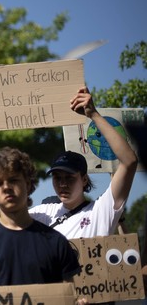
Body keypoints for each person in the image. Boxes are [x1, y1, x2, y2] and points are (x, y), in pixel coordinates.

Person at [0, 147, 81, 288]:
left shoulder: (57, 243)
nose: (6, 187)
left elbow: (68, 296)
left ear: (27, 184)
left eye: (13, 180)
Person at [28, 86, 138, 238]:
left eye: (69, 178)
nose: (62, 184)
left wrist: (94, 115)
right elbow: (1, 223)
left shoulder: (101, 211)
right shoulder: (43, 213)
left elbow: (130, 161)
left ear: (84, 179)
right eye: (57, 178)